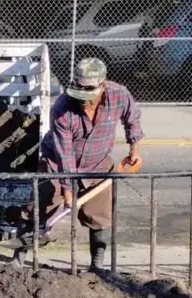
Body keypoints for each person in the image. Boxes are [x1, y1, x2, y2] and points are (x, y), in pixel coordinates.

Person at [37, 57, 144, 272]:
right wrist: (68, 188)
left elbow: (132, 118)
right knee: (39, 208)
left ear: (102, 85)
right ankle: (19, 259)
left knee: (100, 216)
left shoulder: (118, 94)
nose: (83, 100)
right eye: (79, 93)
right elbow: (64, 153)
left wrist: (134, 148)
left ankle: (97, 266)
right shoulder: (63, 107)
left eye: (89, 94)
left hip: (98, 164)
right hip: (57, 164)